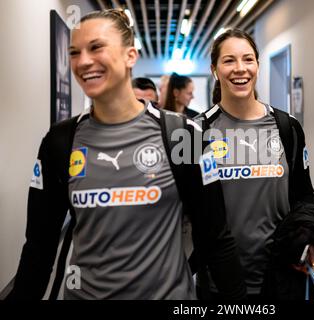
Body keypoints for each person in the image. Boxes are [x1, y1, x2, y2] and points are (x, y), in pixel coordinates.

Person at [7, 9, 245, 300]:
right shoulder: (59, 141)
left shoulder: (183, 135)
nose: (83, 61)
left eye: (96, 47)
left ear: (130, 55)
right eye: (74, 52)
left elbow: (216, 239)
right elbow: (39, 247)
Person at [195, 29, 314, 299]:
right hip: (220, 283)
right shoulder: (197, 131)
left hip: (282, 275)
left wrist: (308, 238)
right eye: (229, 61)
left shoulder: (287, 127)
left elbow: (303, 194)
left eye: (248, 59)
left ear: (258, 66)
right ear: (214, 69)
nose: (240, 69)